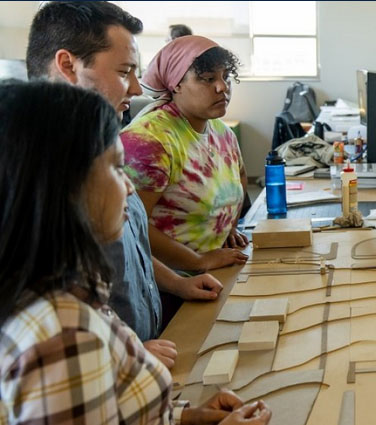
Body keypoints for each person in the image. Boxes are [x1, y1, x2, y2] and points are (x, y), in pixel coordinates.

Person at [0, 80, 271, 425]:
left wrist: (188, 417)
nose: (128, 186)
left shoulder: (70, 289)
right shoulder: (64, 335)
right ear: (61, 187)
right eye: (115, 168)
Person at [26, 1, 229, 367]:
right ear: (68, 65)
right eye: (124, 72)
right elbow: (38, 305)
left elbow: (130, 246)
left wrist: (176, 282)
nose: (137, 88)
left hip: (140, 356)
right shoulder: (33, 167)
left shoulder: (103, 140)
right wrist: (117, 350)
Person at [122, 35, 250, 273]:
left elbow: (240, 177)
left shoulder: (222, 132)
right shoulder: (150, 140)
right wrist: (197, 261)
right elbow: (131, 225)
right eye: (208, 79)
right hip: (171, 280)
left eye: (226, 77)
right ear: (176, 84)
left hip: (216, 267)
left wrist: (226, 226)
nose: (222, 87)